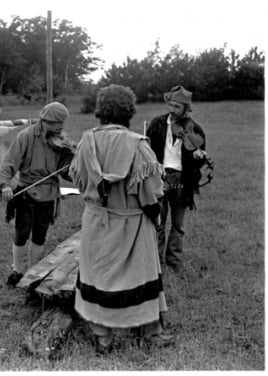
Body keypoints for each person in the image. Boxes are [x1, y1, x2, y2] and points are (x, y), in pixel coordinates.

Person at [70, 84, 173, 354]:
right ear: (129, 111)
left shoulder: (85, 142)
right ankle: (151, 331)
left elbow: (79, 181)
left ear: (100, 111)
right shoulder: (138, 146)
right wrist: (155, 213)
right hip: (132, 224)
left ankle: (102, 336)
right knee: (141, 274)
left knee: (98, 275)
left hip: (95, 220)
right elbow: (151, 191)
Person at [0, 102, 74, 287]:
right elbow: (9, 161)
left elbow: (65, 173)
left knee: (40, 234)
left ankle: (33, 269)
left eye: (62, 126)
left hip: (49, 193)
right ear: (46, 121)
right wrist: (5, 185)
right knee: (22, 232)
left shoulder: (61, 142)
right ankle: (17, 270)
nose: (60, 130)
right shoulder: (25, 136)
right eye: (57, 125)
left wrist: (73, 162)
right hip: (27, 191)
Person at [146, 85, 207, 272]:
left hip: (182, 178)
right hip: (161, 176)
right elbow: (146, 152)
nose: (172, 110)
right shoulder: (157, 124)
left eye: (177, 107)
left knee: (178, 224)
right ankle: (155, 262)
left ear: (186, 109)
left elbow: (199, 158)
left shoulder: (194, 129)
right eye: (170, 105)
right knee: (158, 223)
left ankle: (174, 261)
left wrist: (199, 158)